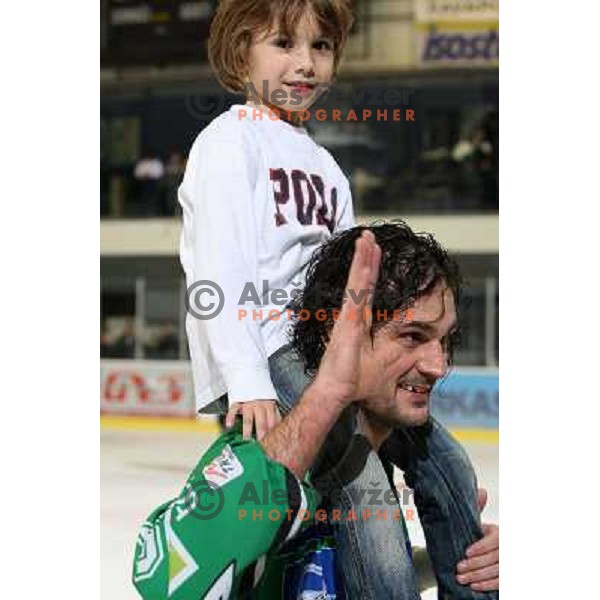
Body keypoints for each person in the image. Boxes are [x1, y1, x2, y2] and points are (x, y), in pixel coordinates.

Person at [178, 1, 495, 597]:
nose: (305, 64)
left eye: (320, 47)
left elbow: (347, 280)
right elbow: (214, 269)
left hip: (333, 349)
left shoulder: (326, 167)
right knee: (366, 492)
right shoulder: (226, 141)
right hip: (274, 351)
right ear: (240, 52)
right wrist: (245, 379)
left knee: (447, 465)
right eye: (283, 45)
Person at [133, 229, 499, 598]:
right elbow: (165, 584)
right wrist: (327, 393)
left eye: (446, 340)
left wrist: (460, 563)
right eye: (412, 336)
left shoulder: (381, 469)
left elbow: (335, 575)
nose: (438, 366)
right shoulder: (261, 450)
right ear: (335, 334)